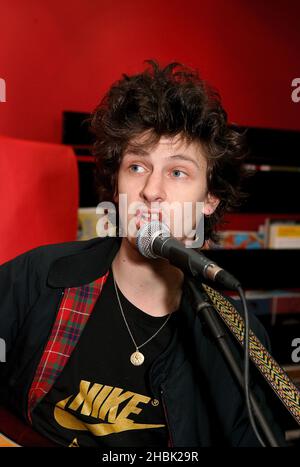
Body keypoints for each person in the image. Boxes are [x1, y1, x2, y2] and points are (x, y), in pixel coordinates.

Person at [0, 61, 288, 447]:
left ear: (209, 199)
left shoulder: (239, 339)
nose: (151, 190)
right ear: (116, 183)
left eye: (177, 172)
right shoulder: (36, 277)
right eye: (137, 166)